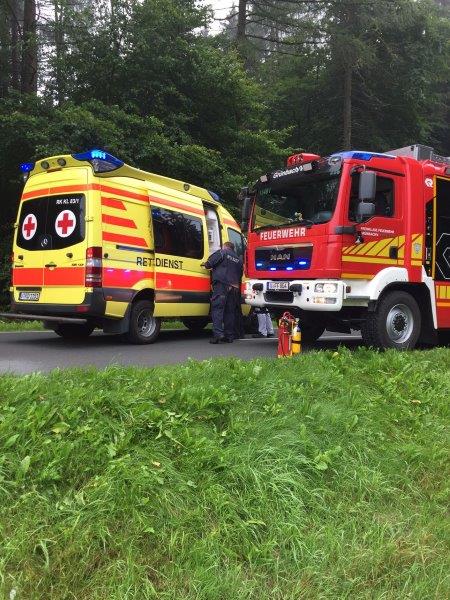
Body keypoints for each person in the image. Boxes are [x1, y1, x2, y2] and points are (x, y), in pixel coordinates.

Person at [201, 241, 243, 344]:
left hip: (222, 285)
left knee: (217, 309)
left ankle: (218, 334)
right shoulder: (238, 259)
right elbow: (240, 274)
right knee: (230, 312)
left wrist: (205, 264)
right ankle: (229, 336)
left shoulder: (222, 252)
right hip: (234, 288)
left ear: (225, 246)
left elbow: (209, 264)